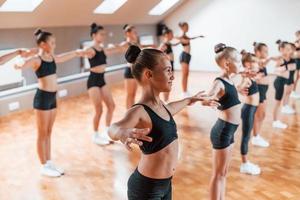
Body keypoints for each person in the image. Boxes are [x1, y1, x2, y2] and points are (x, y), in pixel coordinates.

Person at [108, 45, 218, 200]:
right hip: (146, 190)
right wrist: (122, 132)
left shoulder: (161, 107)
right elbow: (113, 128)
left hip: (165, 185)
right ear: (148, 74)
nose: (172, 76)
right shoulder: (139, 111)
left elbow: (171, 108)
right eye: (168, 70)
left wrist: (190, 99)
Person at [15, 29, 86, 177]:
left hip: (53, 97)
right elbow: (19, 65)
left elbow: (62, 57)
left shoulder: (52, 57)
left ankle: (48, 162)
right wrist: (23, 57)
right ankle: (43, 165)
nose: (54, 45)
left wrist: (77, 52)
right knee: (42, 133)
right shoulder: (36, 60)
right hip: (42, 98)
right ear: (43, 44)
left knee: (49, 132)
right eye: (52, 43)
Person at [206, 43, 248, 200]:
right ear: (227, 64)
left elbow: (230, 91)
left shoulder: (229, 80)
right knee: (217, 174)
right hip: (222, 132)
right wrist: (208, 100)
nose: (241, 64)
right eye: (238, 61)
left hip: (229, 132)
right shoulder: (219, 82)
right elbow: (210, 95)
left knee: (223, 173)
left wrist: (240, 85)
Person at [82, 23, 128, 145]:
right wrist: (82, 52)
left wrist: (122, 46)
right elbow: (83, 52)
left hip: (102, 79)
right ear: (94, 35)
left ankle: (107, 131)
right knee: (99, 109)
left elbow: (116, 49)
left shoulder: (103, 50)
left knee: (111, 106)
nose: (104, 36)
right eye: (101, 34)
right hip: (93, 81)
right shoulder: (90, 49)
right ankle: (95, 135)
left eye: (104, 34)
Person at [239, 50, 261, 175]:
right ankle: (244, 164)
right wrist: (240, 88)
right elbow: (241, 86)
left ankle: (246, 162)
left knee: (247, 136)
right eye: (256, 63)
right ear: (248, 64)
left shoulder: (250, 77)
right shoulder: (246, 79)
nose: (258, 65)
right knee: (246, 136)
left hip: (251, 109)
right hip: (248, 110)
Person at [176, 22, 204, 97]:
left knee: (186, 74)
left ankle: (185, 91)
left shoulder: (185, 36)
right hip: (184, 55)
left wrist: (199, 36)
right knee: (184, 74)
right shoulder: (181, 36)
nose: (188, 28)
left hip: (188, 55)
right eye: (186, 27)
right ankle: (184, 92)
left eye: (188, 27)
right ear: (182, 28)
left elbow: (191, 38)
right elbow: (177, 38)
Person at [252, 42, 270, 147]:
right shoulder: (256, 62)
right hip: (259, 90)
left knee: (262, 115)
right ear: (258, 52)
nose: (267, 53)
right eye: (265, 51)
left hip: (263, 90)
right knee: (258, 115)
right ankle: (255, 137)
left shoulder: (260, 62)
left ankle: (257, 135)